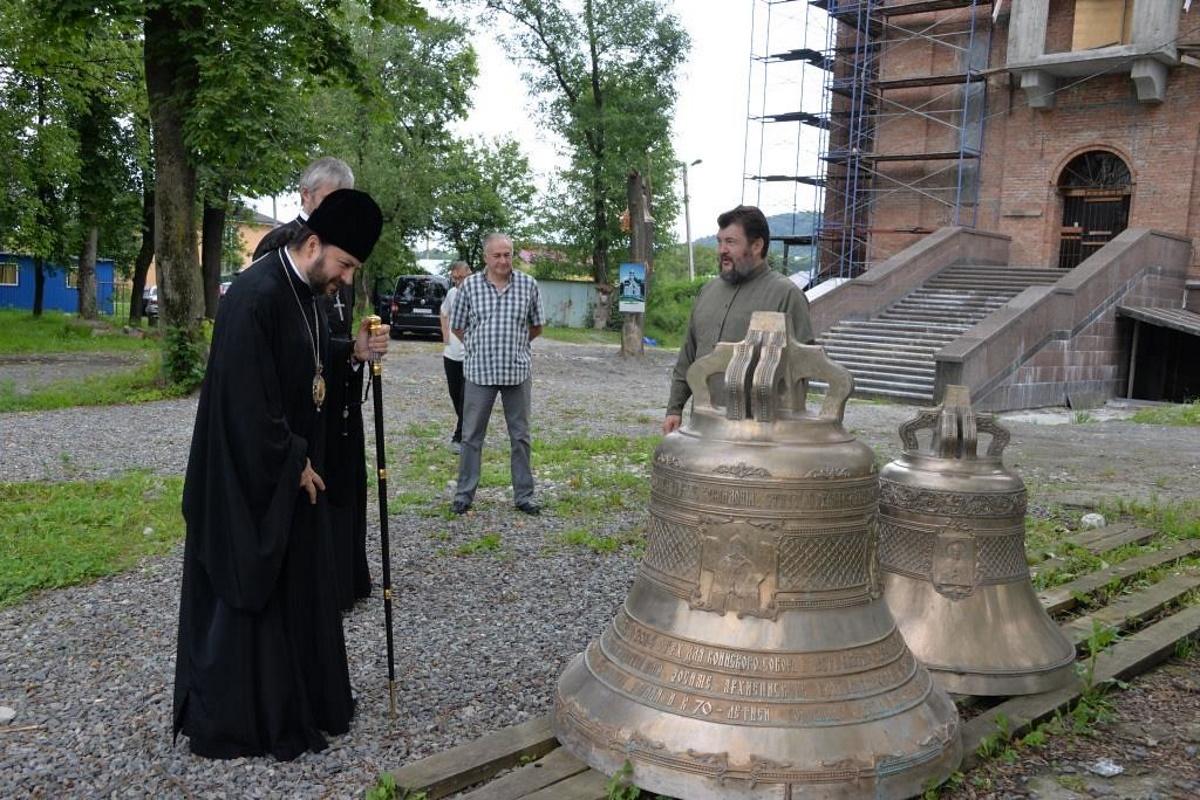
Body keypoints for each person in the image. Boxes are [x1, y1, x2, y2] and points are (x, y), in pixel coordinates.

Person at [174, 189, 387, 761]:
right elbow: (246, 403)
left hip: (294, 477)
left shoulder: (306, 292)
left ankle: (305, 699)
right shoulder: (254, 295)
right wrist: (291, 461)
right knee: (255, 596)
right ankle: (248, 719)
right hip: (250, 486)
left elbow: (305, 368)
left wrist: (351, 353)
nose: (344, 278)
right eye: (343, 265)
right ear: (313, 244)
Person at [254, 156, 368, 610]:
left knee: (343, 477)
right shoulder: (282, 245)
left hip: (337, 383)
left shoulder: (341, 247)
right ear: (306, 195)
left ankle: (342, 576)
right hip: (300, 388)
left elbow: (339, 318)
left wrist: (356, 350)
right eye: (330, 199)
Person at [663, 205, 815, 434]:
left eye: (731, 242)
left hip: (756, 435)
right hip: (702, 427)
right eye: (719, 241)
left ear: (756, 245)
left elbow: (800, 372)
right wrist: (674, 409)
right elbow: (688, 355)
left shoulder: (786, 295)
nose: (722, 250)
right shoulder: (708, 291)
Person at [449, 233, 545, 516]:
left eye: (507, 254)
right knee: (471, 436)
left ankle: (524, 496)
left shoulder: (528, 285)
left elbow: (537, 326)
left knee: (521, 436)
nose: (503, 261)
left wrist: (515, 345)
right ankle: (464, 495)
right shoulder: (470, 287)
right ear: (485, 258)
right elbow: (457, 326)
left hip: (517, 371)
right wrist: (478, 346)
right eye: (497, 255)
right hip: (480, 372)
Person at [440, 261, 472, 454]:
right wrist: (445, 335)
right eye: (455, 277)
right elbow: (443, 313)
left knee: (466, 398)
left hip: (471, 355)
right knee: (455, 395)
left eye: (461, 277)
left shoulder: (479, 294)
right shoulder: (452, 293)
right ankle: (471, 431)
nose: (458, 281)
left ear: (469, 274)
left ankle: (459, 437)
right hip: (451, 354)